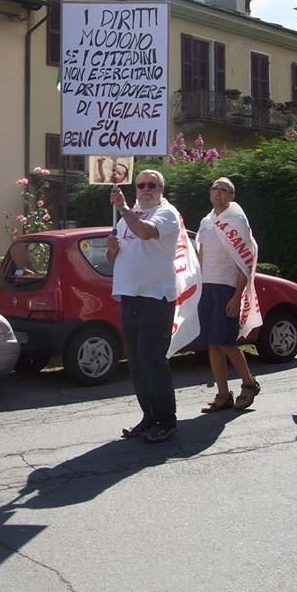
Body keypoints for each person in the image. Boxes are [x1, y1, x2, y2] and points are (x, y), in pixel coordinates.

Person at [107, 169, 181, 442]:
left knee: (153, 360)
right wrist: (111, 250)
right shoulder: (129, 216)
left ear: (161, 189)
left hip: (155, 297)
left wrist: (123, 207)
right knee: (137, 363)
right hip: (130, 296)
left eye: (152, 184)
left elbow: (146, 233)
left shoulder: (167, 213)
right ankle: (149, 416)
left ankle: (166, 420)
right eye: (141, 185)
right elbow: (117, 260)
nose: (146, 189)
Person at [196, 177, 261, 412]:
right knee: (213, 343)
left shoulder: (237, 221)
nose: (218, 193)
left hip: (227, 289)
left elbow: (246, 262)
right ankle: (223, 395)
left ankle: (249, 383)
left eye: (224, 190)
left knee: (226, 342)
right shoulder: (206, 221)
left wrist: (237, 296)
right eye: (215, 188)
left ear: (232, 196)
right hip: (207, 288)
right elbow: (201, 255)